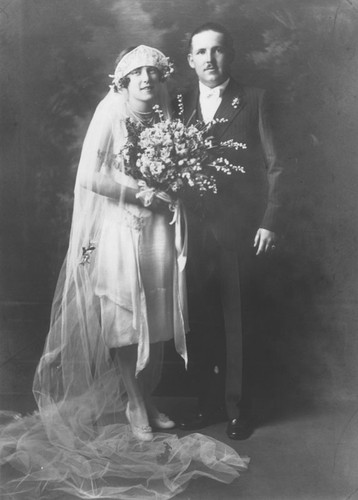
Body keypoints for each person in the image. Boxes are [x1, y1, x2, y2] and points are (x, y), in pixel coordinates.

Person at [0, 45, 248, 500]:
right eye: (138, 75)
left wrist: (175, 179)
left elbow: (174, 167)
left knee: (154, 318)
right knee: (123, 318)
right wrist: (141, 196)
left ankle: (147, 398)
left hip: (158, 231)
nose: (147, 81)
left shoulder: (165, 114)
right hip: (119, 229)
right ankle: (135, 404)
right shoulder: (110, 111)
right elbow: (88, 177)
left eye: (154, 74)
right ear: (123, 80)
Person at [178, 23, 286, 440]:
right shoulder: (180, 103)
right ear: (190, 60)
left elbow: (278, 164)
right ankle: (206, 405)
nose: (209, 59)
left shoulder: (255, 100)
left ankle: (241, 408)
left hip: (241, 230)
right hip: (189, 232)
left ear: (231, 55)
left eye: (218, 50)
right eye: (201, 52)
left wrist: (269, 220)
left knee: (238, 322)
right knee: (200, 321)